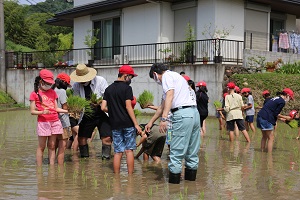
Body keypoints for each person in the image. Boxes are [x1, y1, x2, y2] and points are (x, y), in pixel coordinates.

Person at [145, 63, 200, 184]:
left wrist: (164, 120)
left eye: (155, 79)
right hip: (195, 114)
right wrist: (151, 122)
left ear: (155, 74)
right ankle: (191, 188)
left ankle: (173, 190)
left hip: (182, 115)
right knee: (192, 151)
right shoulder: (177, 77)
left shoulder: (166, 77)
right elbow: (162, 106)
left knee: (175, 153)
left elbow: (169, 96)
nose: (157, 82)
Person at [101, 65, 142, 174]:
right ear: (125, 76)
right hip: (127, 123)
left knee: (118, 152)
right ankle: (130, 178)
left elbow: (103, 107)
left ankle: (117, 178)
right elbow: (128, 106)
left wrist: (114, 111)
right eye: (131, 77)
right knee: (129, 151)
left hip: (115, 124)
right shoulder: (127, 88)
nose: (131, 80)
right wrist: (136, 124)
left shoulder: (108, 89)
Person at [70, 64, 112, 159]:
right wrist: (76, 107)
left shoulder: (100, 81)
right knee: (81, 138)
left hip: (102, 113)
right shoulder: (76, 86)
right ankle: (84, 160)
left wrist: (98, 102)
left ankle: (105, 159)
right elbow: (76, 100)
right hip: (87, 114)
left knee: (107, 138)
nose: (81, 81)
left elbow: (107, 96)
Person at [29, 69, 68, 166]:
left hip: (55, 121)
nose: (49, 85)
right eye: (47, 83)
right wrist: (42, 112)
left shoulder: (53, 92)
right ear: (41, 81)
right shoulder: (34, 94)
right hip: (43, 122)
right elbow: (32, 111)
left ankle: (52, 168)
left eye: (50, 84)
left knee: (52, 145)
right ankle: (39, 169)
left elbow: (56, 109)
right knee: (41, 146)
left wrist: (68, 111)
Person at [257, 88, 294, 153]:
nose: (289, 100)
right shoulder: (282, 101)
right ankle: (269, 156)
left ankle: (262, 153)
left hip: (260, 116)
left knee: (264, 136)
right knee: (271, 138)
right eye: (290, 98)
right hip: (266, 118)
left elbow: (272, 112)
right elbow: (276, 113)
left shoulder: (276, 98)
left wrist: (282, 119)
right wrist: (286, 117)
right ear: (287, 95)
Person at [52, 72, 72, 165]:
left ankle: (52, 166)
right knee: (62, 147)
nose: (67, 87)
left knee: (53, 146)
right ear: (64, 83)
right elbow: (65, 107)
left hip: (53, 122)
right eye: (67, 84)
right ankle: (60, 168)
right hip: (63, 123)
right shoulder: (62, 92)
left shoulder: (52, 91)